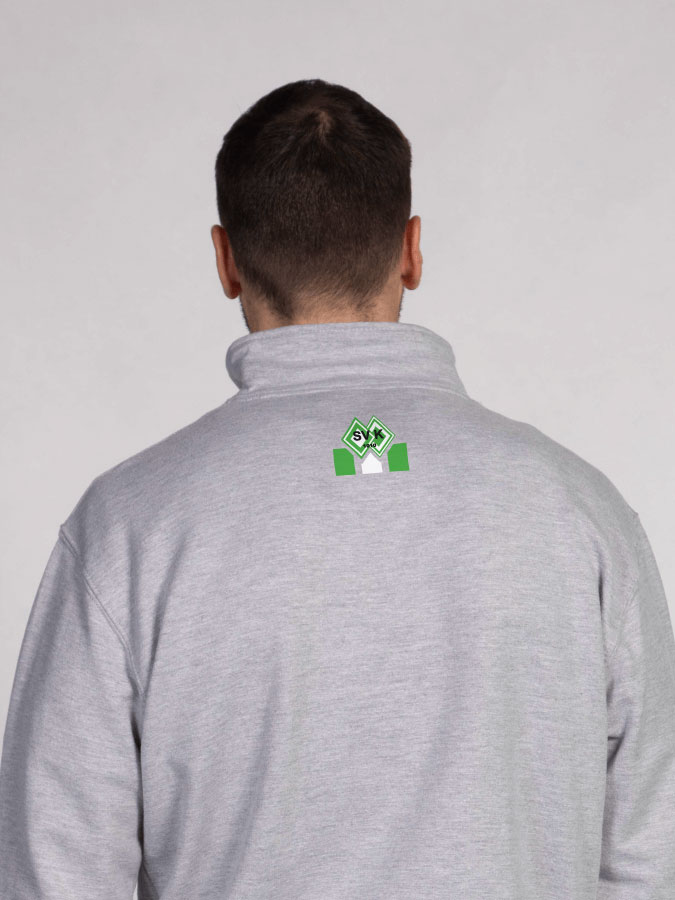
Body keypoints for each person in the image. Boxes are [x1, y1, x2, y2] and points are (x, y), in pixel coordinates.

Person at [0, 78, 674, 900]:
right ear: (412, 250)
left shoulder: (129, 527)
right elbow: (649, 857)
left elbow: (57, 873)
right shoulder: (580, 512)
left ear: (225, 260)